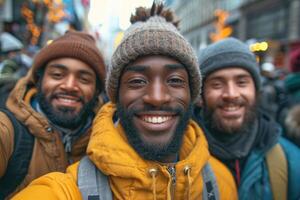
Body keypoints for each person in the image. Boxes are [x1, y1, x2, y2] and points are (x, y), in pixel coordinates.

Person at [13, 3, 237, 200]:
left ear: (192, 94)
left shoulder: (221, 182)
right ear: (116, 95)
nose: (157, 97)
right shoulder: (64, 190)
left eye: (175, 80)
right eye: (138, 81)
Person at [0, 30, 106, 199]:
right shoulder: (7, 131)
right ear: (38, 80)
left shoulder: (108, 142)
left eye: (84, 79)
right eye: (57, 75)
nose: (70, 86)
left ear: (97, 91)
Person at [195, 37, 300, 200]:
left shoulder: (290, 160)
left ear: (257, 90)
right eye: (217, 84)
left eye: (241, 82)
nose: (231, 94)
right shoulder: (180, 159)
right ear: (200, 96)